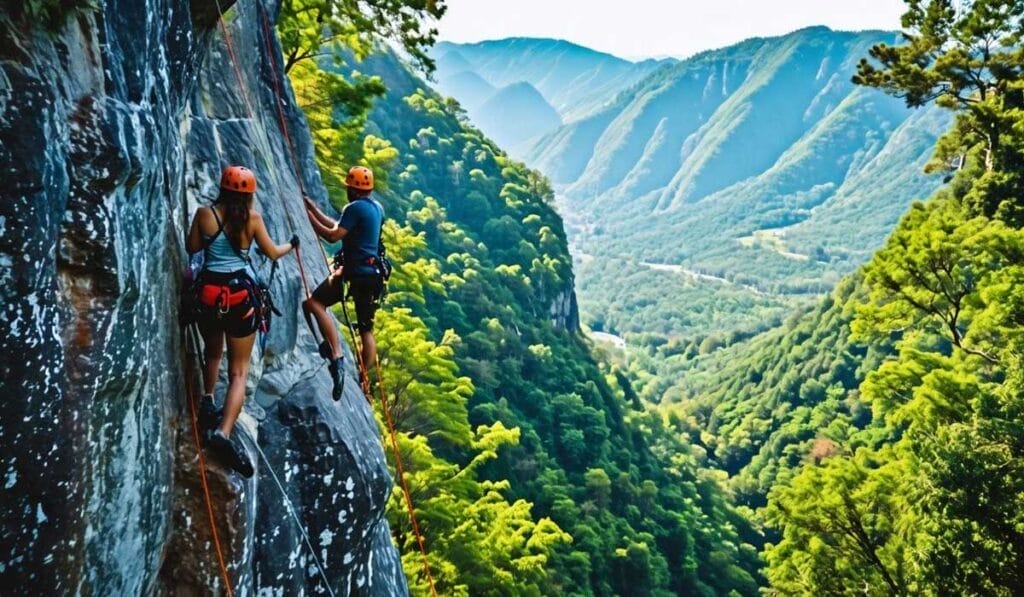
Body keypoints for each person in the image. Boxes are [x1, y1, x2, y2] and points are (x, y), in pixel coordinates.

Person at [185, 165, 298, 477]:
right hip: (240, 298)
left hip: (208, 295)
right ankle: (222, 432)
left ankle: (207, 400)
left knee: (212, 351)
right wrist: (292, 245)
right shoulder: (253, 219)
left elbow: (192, 248)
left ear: (223, 188)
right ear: (249, 195)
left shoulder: (204, 214)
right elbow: (273, 253)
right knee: (238, 372)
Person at [303, 166, 386, 400]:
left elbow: (332, 235)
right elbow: (341, 227)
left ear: (353, 189)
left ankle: (336, 355)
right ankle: (363, 376)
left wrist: (307, 218)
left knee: (314, 303)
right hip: (373, 274)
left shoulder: (354, 207)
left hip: (353, 273)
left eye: (349, 187)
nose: (347, 190)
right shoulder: (376, 208)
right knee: (366, 330)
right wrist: (314, 209)